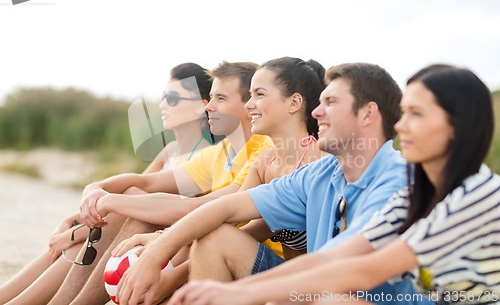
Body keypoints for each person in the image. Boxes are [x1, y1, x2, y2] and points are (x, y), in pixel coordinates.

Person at [168, 64, 499, 305]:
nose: (401, 124)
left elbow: (365, 271)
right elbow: (332, 258)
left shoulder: (473, 196)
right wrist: (235, 293)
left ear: (456, 126)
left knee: (327, 300)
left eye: (417, 114)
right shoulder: (419, 193)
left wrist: (244, 293)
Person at [113, 62, 426, 305]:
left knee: (332, 298)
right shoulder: (322, 174)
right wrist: (159, 249)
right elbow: (226, 207)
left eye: (329, 102)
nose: (317, 112)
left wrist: (246, 293)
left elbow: (340, 266)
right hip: (314, 288)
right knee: (215, 237)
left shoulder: (397, 180)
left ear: (368, 114)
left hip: (354, 295)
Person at [47, 61, 273, 305]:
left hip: (241, 260)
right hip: (201, 250)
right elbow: (145, 182)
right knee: (135, 199)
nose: (210, 106)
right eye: (210, 97)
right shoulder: (223, 151)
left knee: (139, 210)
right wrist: (94, 189)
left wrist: (110, 202)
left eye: (220, 98)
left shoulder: (265, 152)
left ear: (248, 105)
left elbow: (200, 209)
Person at [0, 62, 215, 305]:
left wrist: (75, 233)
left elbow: (139, 204)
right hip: (123, 228)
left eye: (173, 98)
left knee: (75, 245)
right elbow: (129, 195)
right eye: (164, 96)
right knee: (71, 245)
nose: (163, 104)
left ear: (201, 106)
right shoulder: (170, 151)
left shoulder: (206, 157)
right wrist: (73, 222)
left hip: (157, 240)